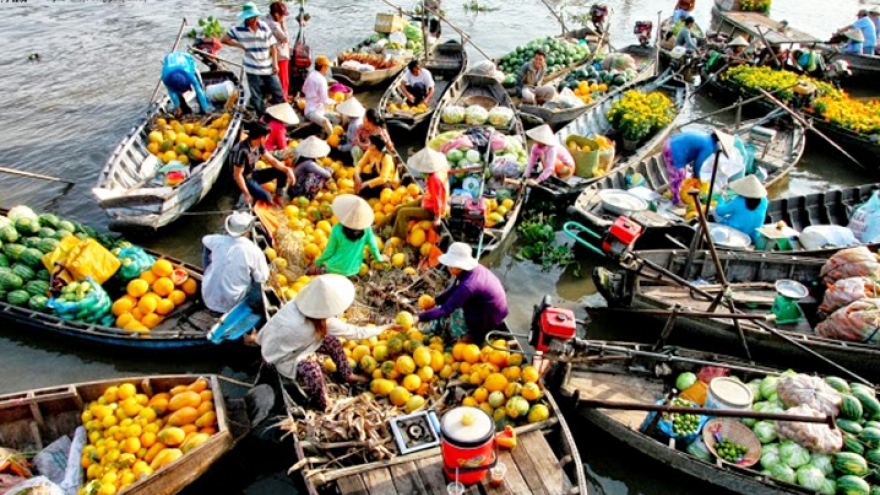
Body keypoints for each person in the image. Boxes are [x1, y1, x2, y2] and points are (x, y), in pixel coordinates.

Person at [250, 274, 403, 411]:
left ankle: (347, 374)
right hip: (281, 358)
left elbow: (273, 325)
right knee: (312, 369)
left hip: (280, 346)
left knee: (331, 341)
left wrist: (257, 340)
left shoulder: (295, 305)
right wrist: (386, 327)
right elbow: (357, 333)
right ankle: (323, 402)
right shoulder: (325, 324)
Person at [417, 242, 509, 344]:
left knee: (453, 312)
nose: (448, 268)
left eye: (451, 266)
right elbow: (454, 290)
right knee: (448, 304)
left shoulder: (468, 285)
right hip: (485, 305)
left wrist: (419, 317)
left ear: (460, 266)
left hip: (489, 315)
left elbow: (445, 310)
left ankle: (466, 337)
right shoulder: (470, 271)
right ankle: (439, 327)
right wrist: (435, 301)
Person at [222, 2, 285, 115]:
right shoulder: (237, 29)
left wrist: (275, 64)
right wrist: (240, 45)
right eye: (252, 18)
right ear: (246, 18)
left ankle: (280, 114)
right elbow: (224, 39)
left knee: (277, 91)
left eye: (255, 17)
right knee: (256, 95)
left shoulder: (264, 26)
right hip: (252, 68)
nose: (254, 20)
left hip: (267, 66)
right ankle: (261, 116)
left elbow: (273, 46)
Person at [201, 212, 269, 313]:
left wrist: (207, 267)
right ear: (248, 230)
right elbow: (262, 277)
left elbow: (205, 241)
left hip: (208, 297)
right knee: (258, 282)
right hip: (233, 302)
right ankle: (252, 306)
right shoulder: (253, 251)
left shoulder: (216, 240)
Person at [384, 148, 449, 239]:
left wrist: (437, 218)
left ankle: (397, 239)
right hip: (427, 200)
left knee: (403, 213)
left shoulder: (434, 179)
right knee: (399, 208)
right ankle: (381, 226)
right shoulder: (441, 169)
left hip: (432, 210)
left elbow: (437, 199)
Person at [313, 195, 384, 277]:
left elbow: (329, 252)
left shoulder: (337, 228)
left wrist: (317, 262)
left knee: (318, 272)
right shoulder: (367, 230)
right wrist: (380, 260)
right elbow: (373, 248)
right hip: (353, 270)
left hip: (333, 268)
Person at [231, 121, 295, 205]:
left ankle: (278, 196)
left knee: (282, 172)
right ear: (261, 138)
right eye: (267, 136)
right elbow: (237, 175)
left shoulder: (259, 145)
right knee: (266, 196)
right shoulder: (242, 150)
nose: (268, 139)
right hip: (245, 179)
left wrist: (287, 170)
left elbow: (272, 160)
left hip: (254, 173)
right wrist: (246, 194)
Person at [662, 130, 734, 205]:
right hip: (673, 149)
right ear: (719, 143)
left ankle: (675, 192)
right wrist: (697, 177)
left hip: (670, 142)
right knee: (679, 175)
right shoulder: (709, 146)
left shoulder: (707, 137)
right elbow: (698, 164)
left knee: (685, 171)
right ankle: (676, 200)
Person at [713, 175, 769, 242]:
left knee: (714, 211)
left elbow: (720, 211)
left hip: (735, 233)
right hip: (754, 235)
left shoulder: (739, 200)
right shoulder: (764, 200)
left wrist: (721, 198)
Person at [161, 52, 212, 117]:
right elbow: (171, 92)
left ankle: (203, 108)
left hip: (186, 60)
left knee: (199, 86)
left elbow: (199, 91)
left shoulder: (189, 74)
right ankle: (184, 110)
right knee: (177, 95)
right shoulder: (166, 78)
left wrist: (206, 109)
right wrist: (177, 106)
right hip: (169, 62)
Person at [287, 136, 333, 200]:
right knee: (328, 170)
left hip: (293, 188)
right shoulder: (309, 163)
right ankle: (309, 195)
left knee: (319, 172)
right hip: (298, 192)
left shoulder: (300, 157)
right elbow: (327, 174)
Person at [302, 55, 336, 137]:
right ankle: (332, 139)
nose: (327, 69)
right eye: (327, 67)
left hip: (311, 108)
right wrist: (335, 102)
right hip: (312, 112)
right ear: (323, 67)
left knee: (336, 117)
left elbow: (303, 89)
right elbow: (325, 100)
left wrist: (313, 96)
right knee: (326, 122)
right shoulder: (322, 80)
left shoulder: (311, 74)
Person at [264, 2, 291, 100]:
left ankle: (279, 97)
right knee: (284, 80)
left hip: (269, 55)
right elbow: (285, 38)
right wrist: (283, 24)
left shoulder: (265, 19)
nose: (283, 17)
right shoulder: (274, 25)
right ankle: (283, 99)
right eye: (282, 15)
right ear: (276, 14)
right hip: (280, 55)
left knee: (275, 80)